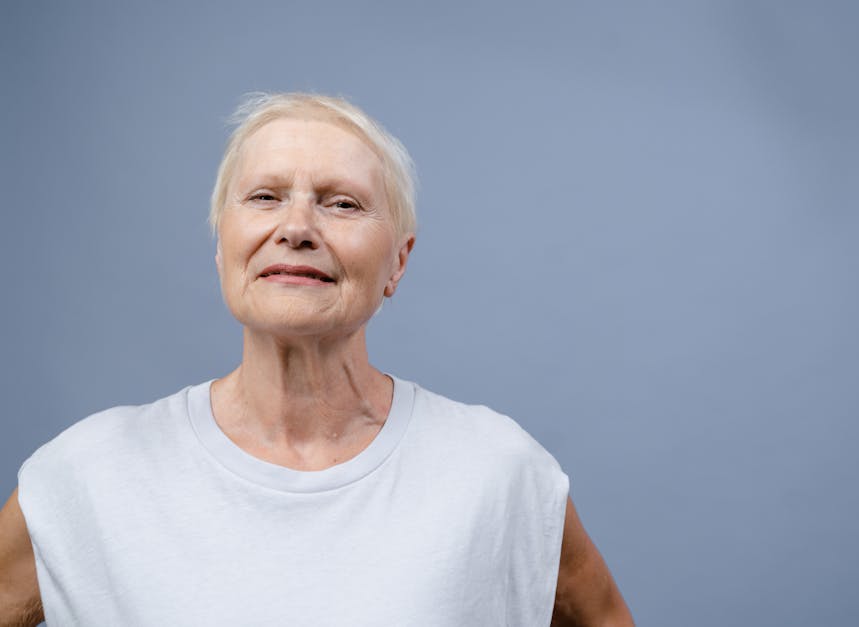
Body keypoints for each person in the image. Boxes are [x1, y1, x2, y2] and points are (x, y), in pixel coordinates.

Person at [0, 93, 634, 626]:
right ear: (223, 247)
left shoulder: (499, 472)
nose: (297, 227)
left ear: (399, 261)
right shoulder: (86, 475)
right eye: (265, 198)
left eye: (342, 203)